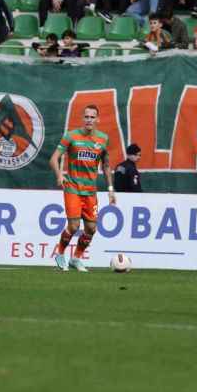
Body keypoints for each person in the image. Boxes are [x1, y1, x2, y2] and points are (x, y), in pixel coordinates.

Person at [49, 105, 116, 272]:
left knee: (92, 229)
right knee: (73, 226)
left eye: (92, 117)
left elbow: (106, 166)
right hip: (72, 187)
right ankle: (60, 254)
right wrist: (59, 175)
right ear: (82, 118)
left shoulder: (103, 139)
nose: (89, 120)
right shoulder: (71, 136)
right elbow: (54, 158)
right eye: (86, 116)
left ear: (97, 120)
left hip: (90, 191)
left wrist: (110, 189)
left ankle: (76, 258)